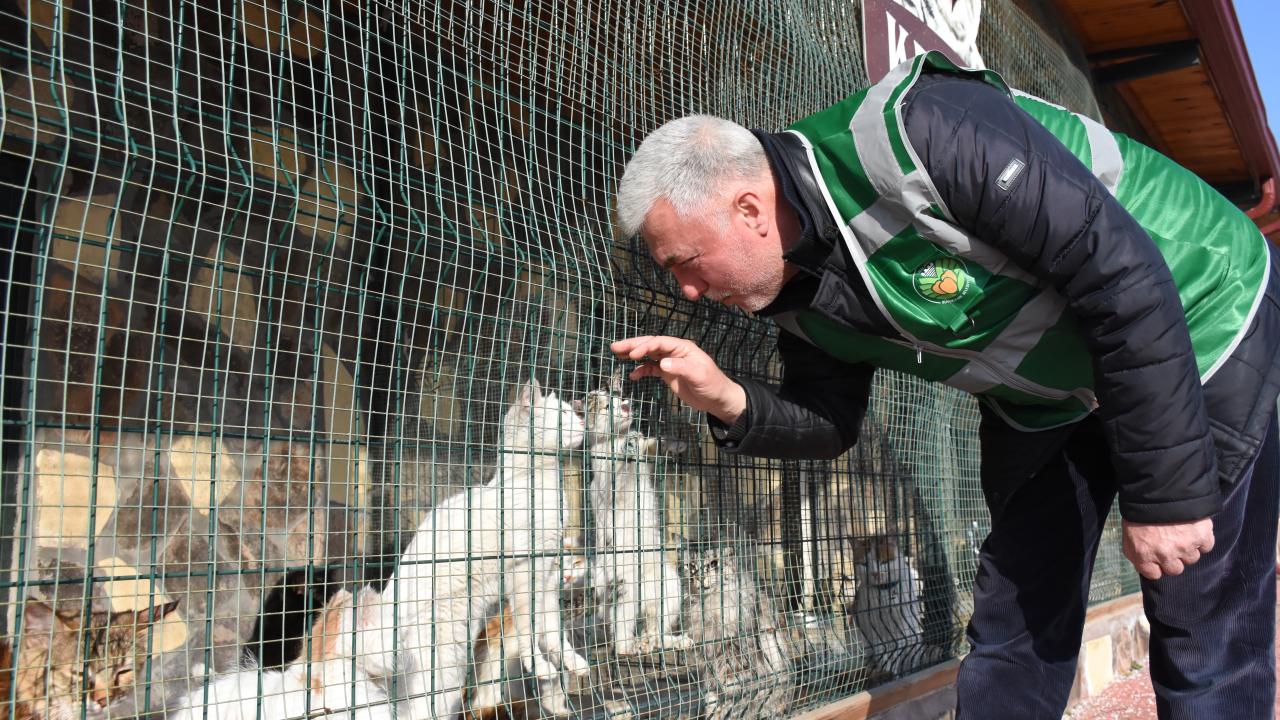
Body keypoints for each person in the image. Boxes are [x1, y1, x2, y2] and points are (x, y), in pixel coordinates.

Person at [610, 51, 1280, 719]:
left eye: (685, 263)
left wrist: (1165, 499)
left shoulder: (924, 134)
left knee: (1199, 624)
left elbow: (1123, 279)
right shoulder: (798, 295)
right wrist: (725, 397)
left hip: (1198, 313)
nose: (688, 291)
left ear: (750, 208)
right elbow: (831, 419)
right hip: (1049, 396)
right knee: (1014, 618)